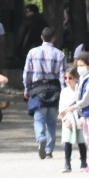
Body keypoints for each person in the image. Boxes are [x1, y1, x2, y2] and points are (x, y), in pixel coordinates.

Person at [23, 27, 65, 158]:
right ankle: (49, 150)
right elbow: (62, 75)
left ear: (41, 37)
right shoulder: (60, 54)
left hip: (37, 88)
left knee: (39, 118)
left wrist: (26, 88)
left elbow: (27, 73)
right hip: (54, 88)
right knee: (52, 120)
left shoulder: (32, 52)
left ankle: (41, 137)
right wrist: (64, 92)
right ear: (54, 38)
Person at [61, 53, 89, 172]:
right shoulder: (83, 79)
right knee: (87, 137)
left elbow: (87, 99)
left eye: (82, 65)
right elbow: (78, 96)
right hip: (86, 113)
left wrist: (74, 107)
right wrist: (67, 109)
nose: (79, 68)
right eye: (78, 65)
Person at [57, 66, 87, 173]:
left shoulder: (81, 90)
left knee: (81, 141)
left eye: (70, 78)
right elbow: (61, 107)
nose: (67, 80)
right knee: (67, 142)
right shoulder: (64, 92)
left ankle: (83, 162)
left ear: (76, 78)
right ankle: (67, 164)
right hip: (68, 117)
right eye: (65, 78)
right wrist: (65, 120)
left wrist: (83, 117)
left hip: (79, 117)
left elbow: (83, 104)